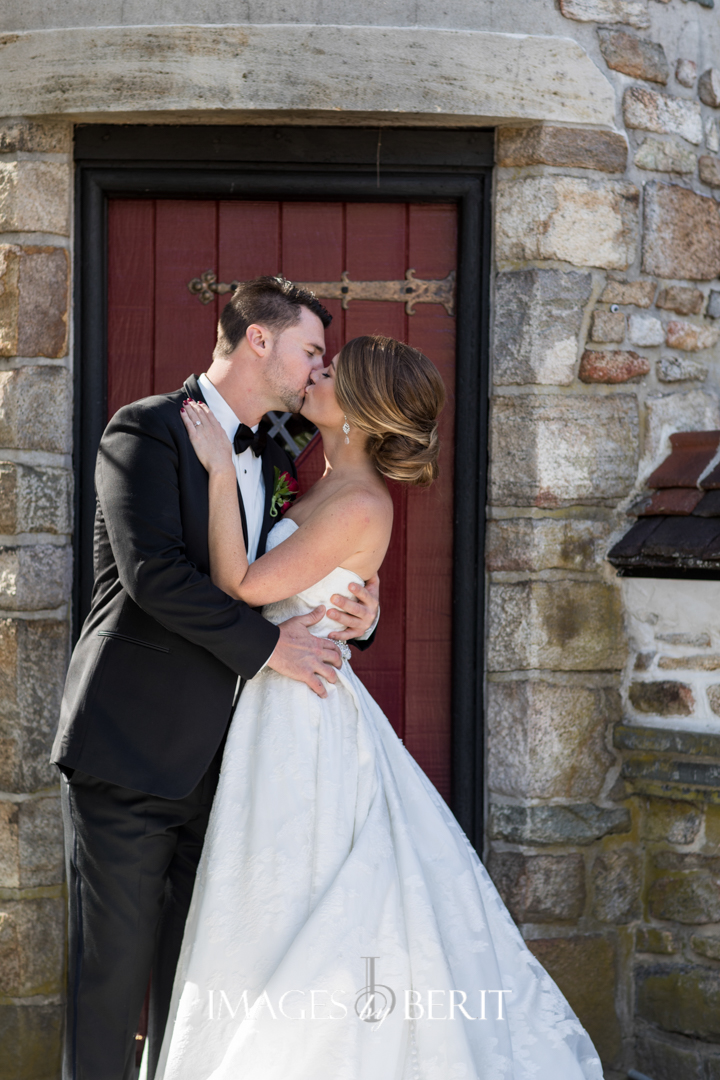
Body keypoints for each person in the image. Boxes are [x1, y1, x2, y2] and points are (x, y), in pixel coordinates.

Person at [155, 335, 603, 1080]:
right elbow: (337, 587)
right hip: (281, 701)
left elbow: (242, 582)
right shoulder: (315, 472)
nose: (314, 376)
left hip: (304, 717)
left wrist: (211, 474)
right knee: (267, 890)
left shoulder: (360, 501)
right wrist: (363, 613)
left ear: (359, 413)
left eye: (328, 374)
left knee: (297, 889)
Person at [51, 277, 380, 1080]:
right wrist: (272, 652)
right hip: (130, 756)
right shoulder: (145, 430)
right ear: (259, 340)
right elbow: (154, 577)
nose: (315, 370)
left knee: (200, 987)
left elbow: (284, 577)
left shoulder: (279, 453)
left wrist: (356, 617)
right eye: (310, 350)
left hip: (233, 773)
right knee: (109, 983)